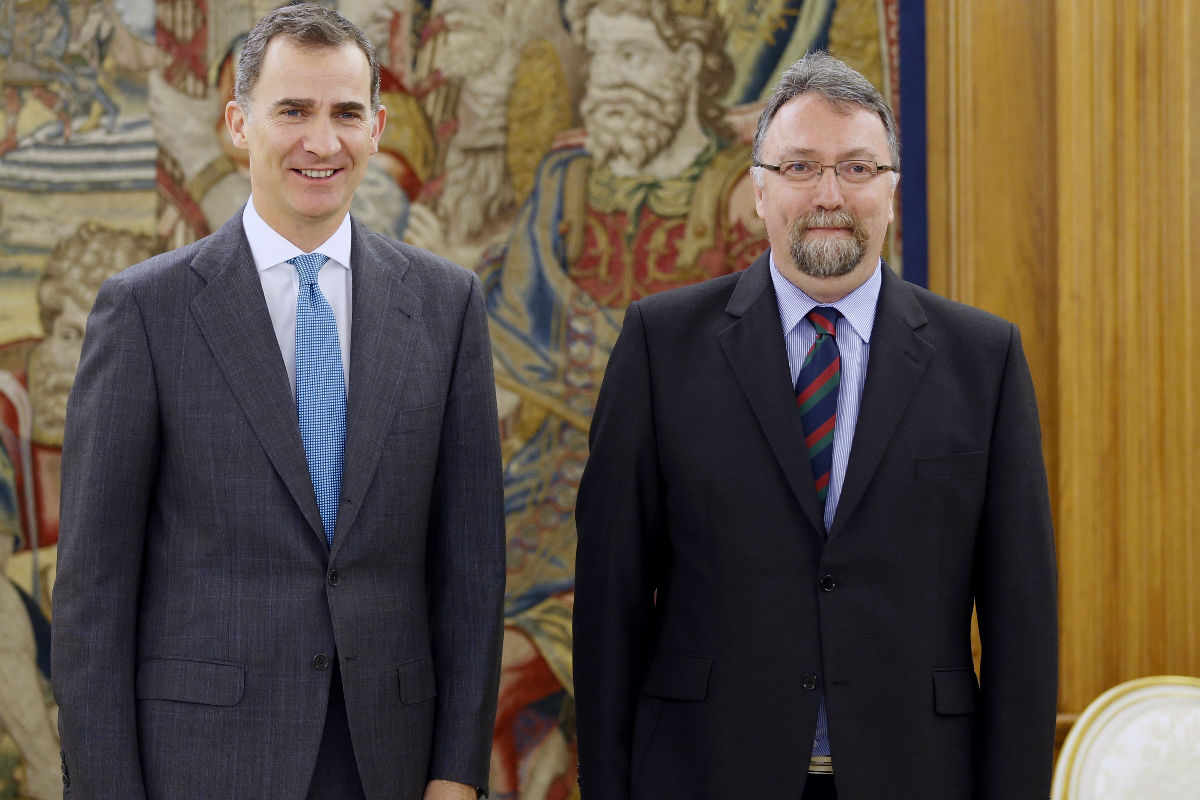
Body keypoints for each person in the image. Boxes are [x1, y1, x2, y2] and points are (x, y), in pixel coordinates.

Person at [573, 51, 1057, 800]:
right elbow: (611, 601)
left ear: (893, 190)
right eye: (800, 166)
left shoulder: (983, 360)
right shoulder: (659, 345)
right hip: (703, 773)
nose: (829, 193)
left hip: (919, 775)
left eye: (858, 168)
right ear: (760, 189)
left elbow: (1023, 625)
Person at [51, 5, 505, 800]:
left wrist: (455, 773)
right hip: (199, 765)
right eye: (292, 110)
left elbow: (470, 571)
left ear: (376, 127)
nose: (320, 142)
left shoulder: (447, 306)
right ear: (238, 123)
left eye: (345, 114)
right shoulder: (145, 312)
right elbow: (93, 593)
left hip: (387, 764)